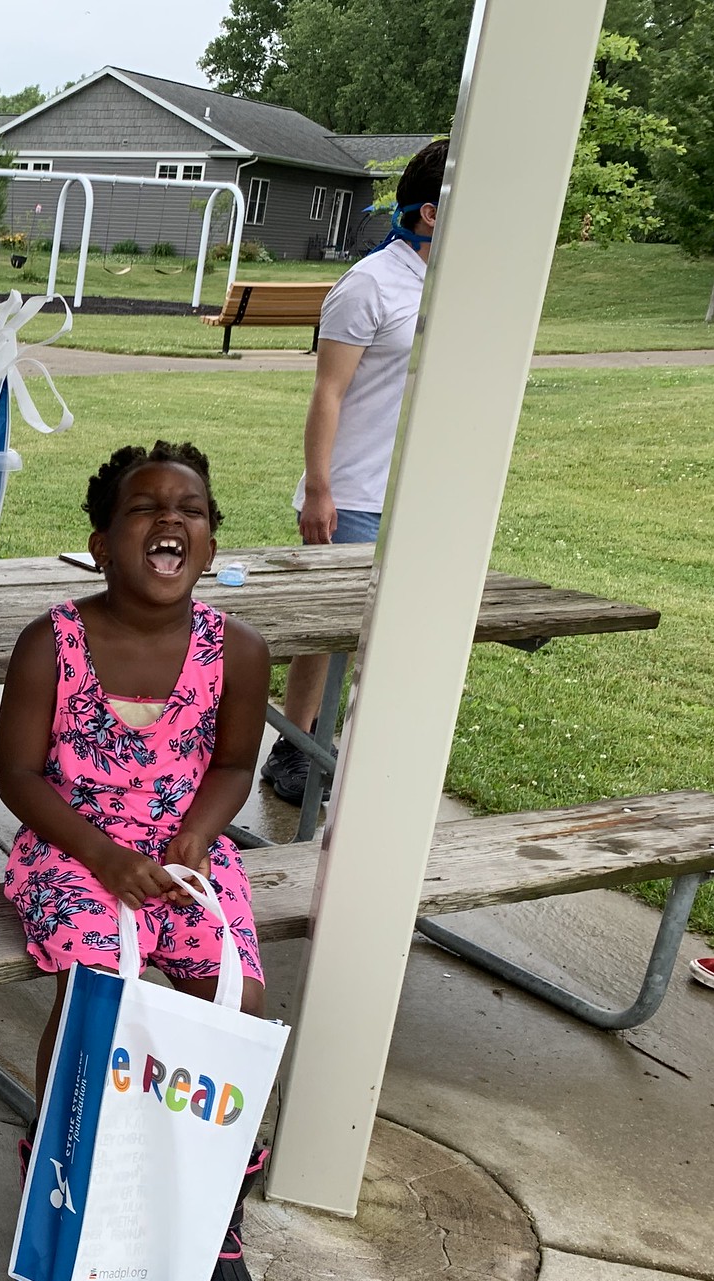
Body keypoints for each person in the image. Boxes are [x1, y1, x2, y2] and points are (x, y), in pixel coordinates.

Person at [0, 441, 273, 1281]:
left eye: (190, 509)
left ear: (212, 542)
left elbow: (232, 763)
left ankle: (211, 1200)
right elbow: (19, 776)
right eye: (145, 510)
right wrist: (104, 857)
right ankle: (65, 1165)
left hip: (184, 847)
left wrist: (197, 833)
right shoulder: (53, 642)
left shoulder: (239, 651)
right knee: (99, 991)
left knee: (235, 995)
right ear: (103, 542)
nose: (169, 522)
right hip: (74, 846)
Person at [263, 137, 449, 807]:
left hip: (417, 497)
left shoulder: (450, 287)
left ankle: (339, 742)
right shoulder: (370, 283)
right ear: (430, 213)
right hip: (354, 493)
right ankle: (296, 744)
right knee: (329, 630)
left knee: (386, 631)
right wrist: (319, 487)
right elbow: (328, 393)